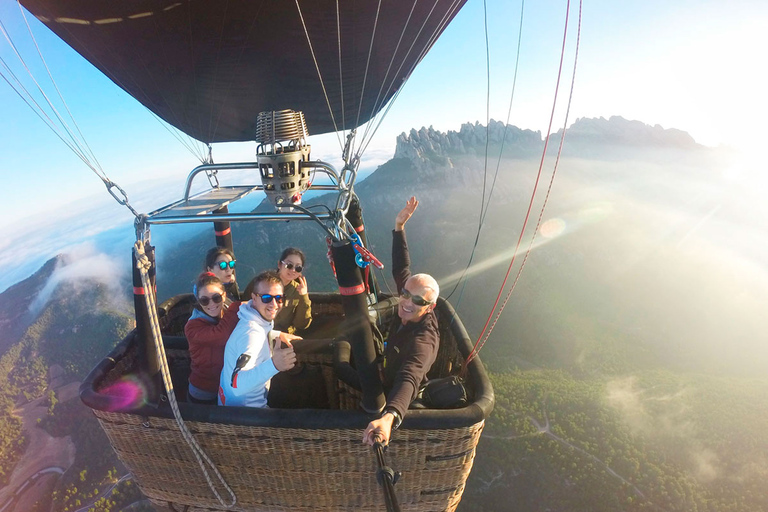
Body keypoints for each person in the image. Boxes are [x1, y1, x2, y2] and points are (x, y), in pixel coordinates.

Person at [363, 196, 440, 446]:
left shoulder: (423, 341)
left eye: (417, 301)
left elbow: (411, 375)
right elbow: (401, 267)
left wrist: (389, 417)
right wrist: (399, 227)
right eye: (404, 293)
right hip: (388, 369)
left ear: (430, 308)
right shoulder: (410, 296)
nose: (406, 301)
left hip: (397, 392)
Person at [218, 270, 301, 408]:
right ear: (254, 298)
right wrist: (274, 365)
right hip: (246, 415)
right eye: (267, 298)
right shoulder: (252, 335)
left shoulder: (251, 318)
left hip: (230, 404)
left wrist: (276, 334)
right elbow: (237, 385)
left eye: (279, 298)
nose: (274, 304)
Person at [184, 272, 241, 404]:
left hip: (227, 386)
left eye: (216, 297)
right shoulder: (192, 327)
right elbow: (222, 335)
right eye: (204, 300)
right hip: (204, 392)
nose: (211, 304)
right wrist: (238, 305)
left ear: (224, 295)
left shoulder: (226, 312)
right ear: (198, 301)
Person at [274, 247, 312, 334]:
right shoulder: (261, 284)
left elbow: (302, 324)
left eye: (298, 268)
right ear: (279, 264)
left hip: (286, 338)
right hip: (262, 334)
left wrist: (303, 296)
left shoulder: (298, 290)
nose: (293, 270)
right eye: (289, 265)